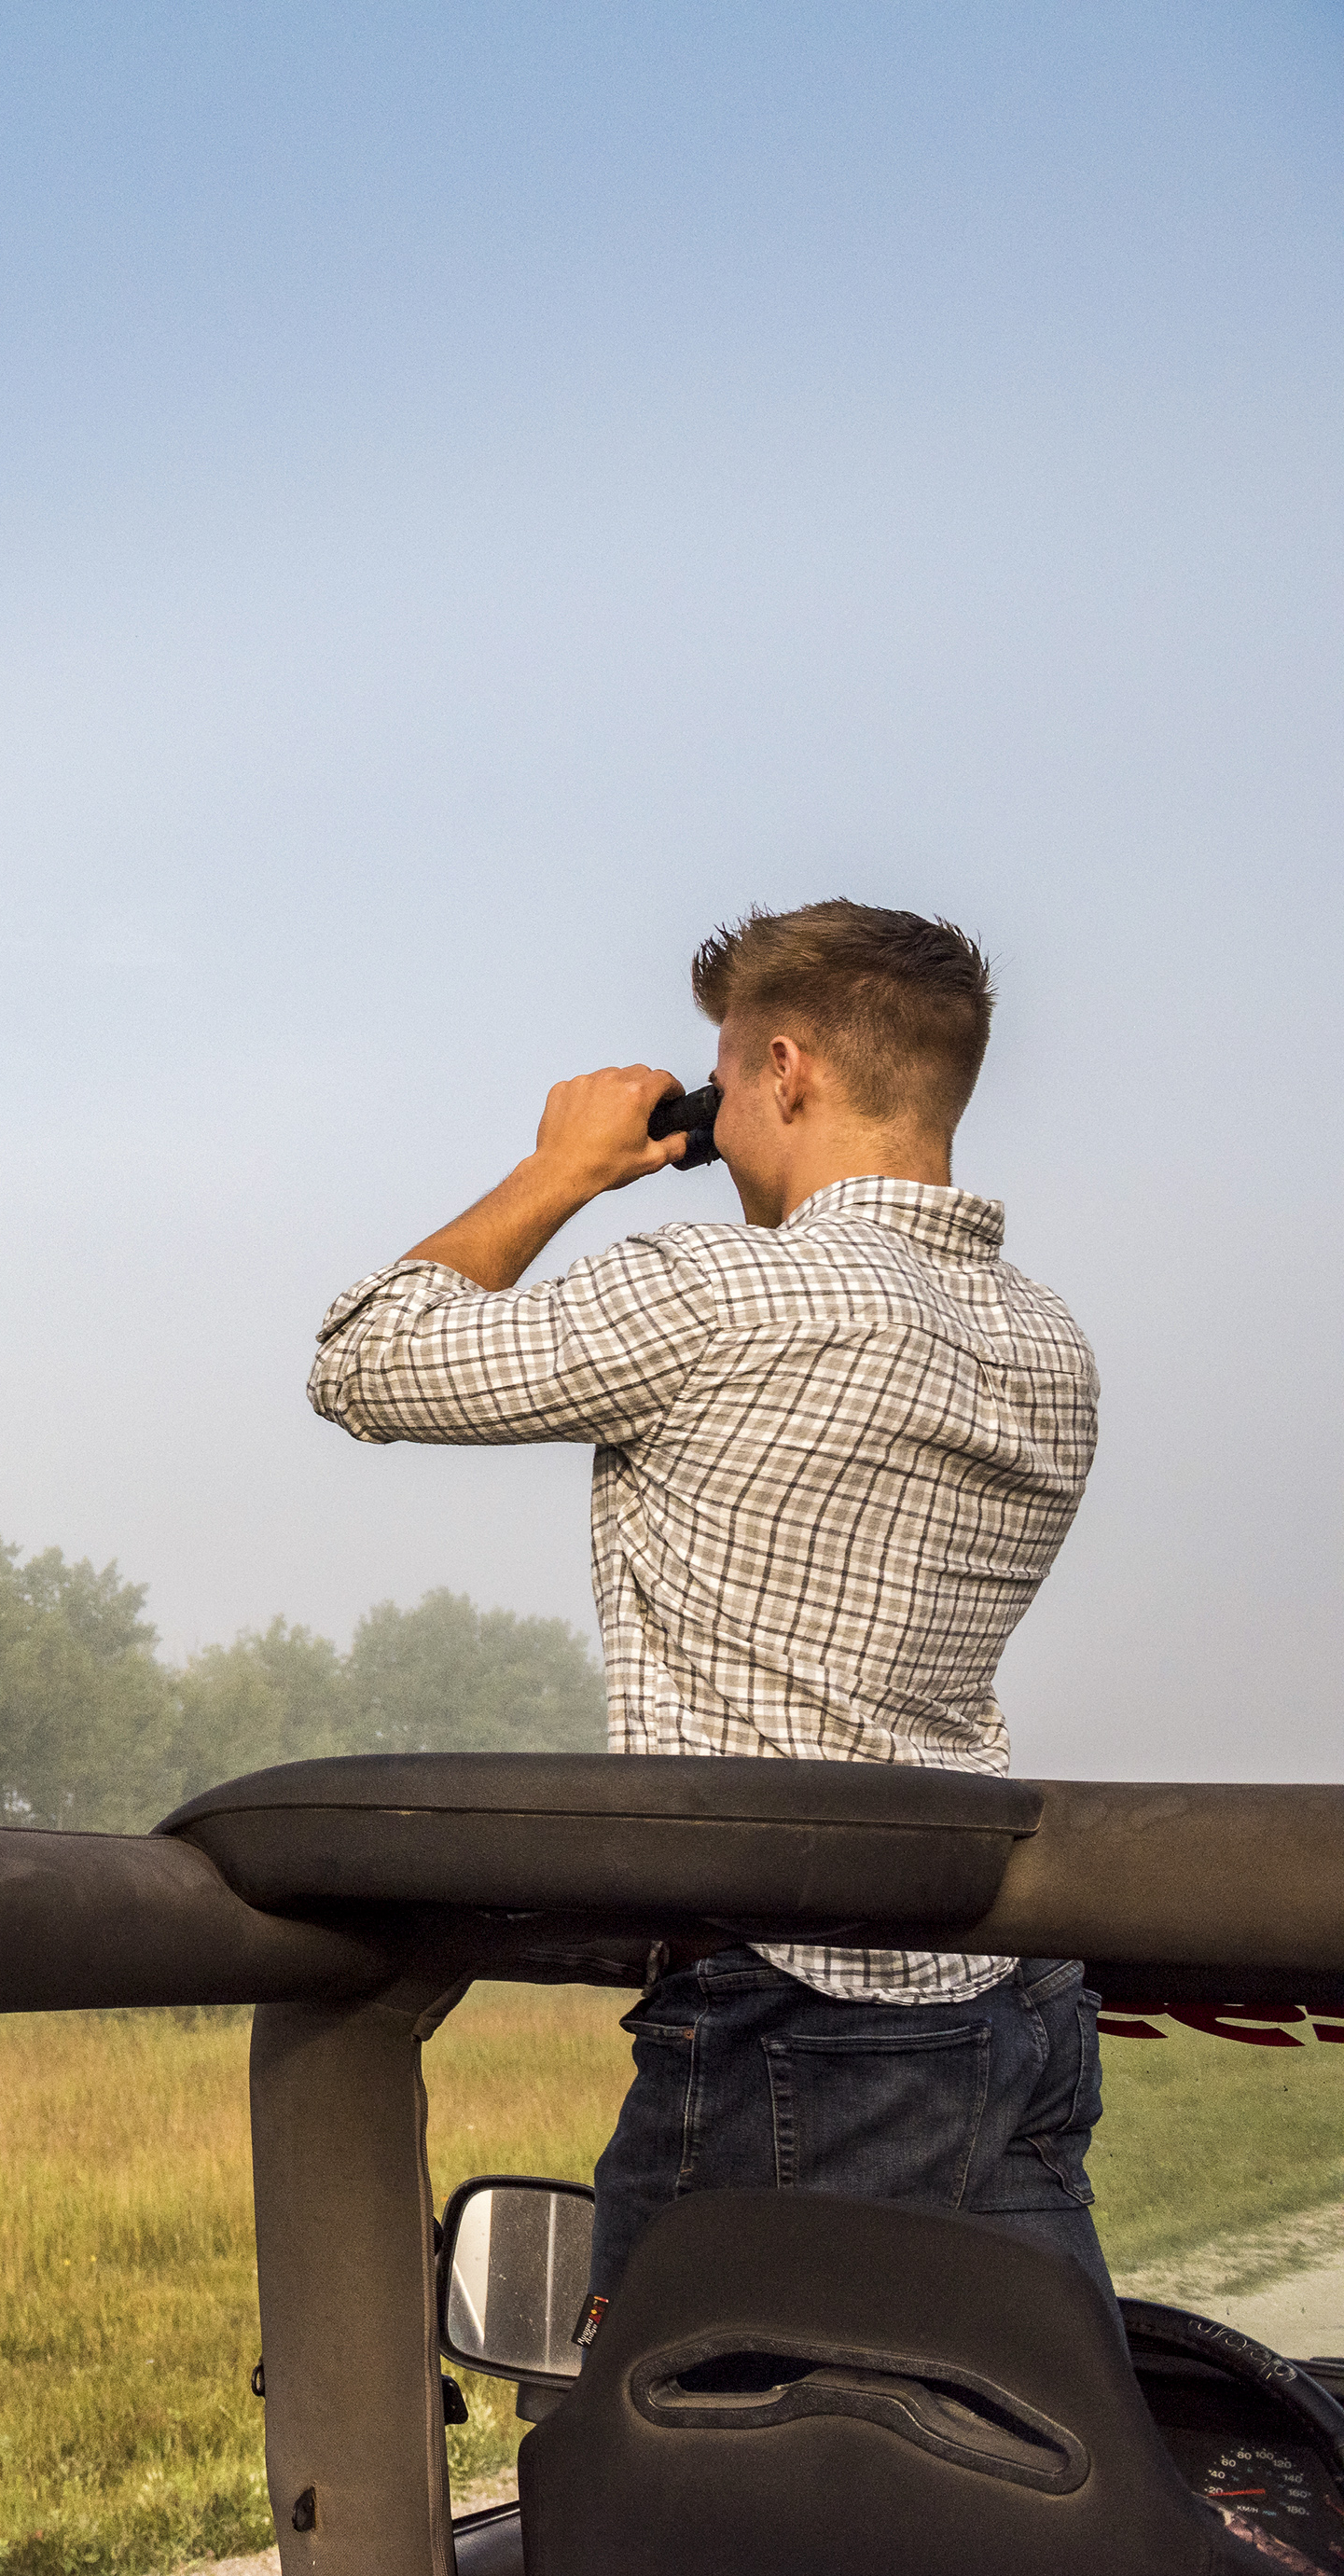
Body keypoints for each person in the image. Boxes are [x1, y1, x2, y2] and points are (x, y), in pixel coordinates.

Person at [304, 901, 1108, 2309]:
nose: (717, 1117)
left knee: (697, 2492)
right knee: (1008, 2465)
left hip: (789, 2011)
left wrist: (555, 1171)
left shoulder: (723, 1293)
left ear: (786, 1071)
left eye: (723, 1082)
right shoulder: (1048, 1343)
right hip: (1010, 1998)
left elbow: (368, 1359)